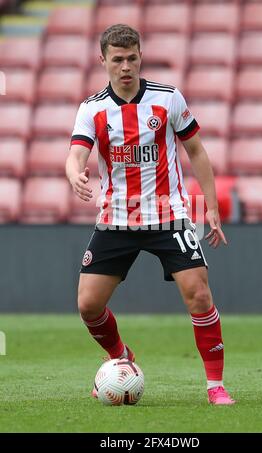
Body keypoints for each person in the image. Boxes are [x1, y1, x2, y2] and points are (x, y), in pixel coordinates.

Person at [66, 24, 235, 405]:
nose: (126, 67)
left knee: (199, 294)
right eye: (117, 60)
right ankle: (120, 356)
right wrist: (74, 172)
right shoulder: (92, 109)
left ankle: (215, 386)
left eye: (132, 58)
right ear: (103, 61)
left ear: (140, 56)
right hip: (115, 218)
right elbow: (76, 152)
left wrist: (209, 206)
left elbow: (197, 152)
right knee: (88, 305)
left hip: (169, 214)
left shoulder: (168, 99)